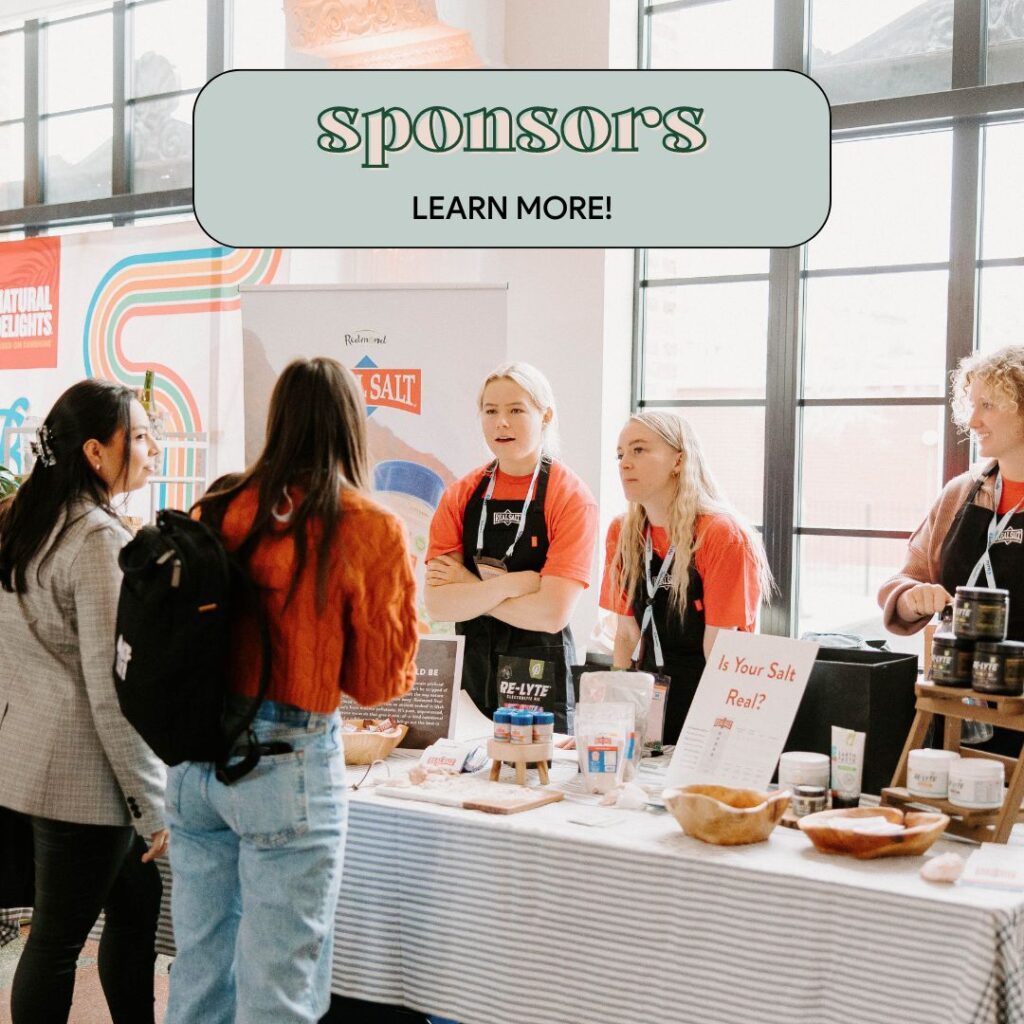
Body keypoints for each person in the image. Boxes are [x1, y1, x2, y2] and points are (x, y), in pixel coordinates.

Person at [165, 357, 419, 1024]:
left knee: (198, 969)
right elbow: (376, 682)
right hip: (289, 766)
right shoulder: (366, 526)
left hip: (194, 763)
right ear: (351, 427)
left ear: (277, 421)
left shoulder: (217, 506)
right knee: (280, 988)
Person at [0, 378, 167, 1024]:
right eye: (142, 435)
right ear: (96, 452)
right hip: (80, 779)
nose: (153, 448)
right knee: (58, 942)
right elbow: (109, 692)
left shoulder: (25, 520)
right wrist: (152, 806)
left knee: (136, 901)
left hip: (33, 760)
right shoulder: (97, 539)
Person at [424, 362, 598, 731]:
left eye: (516, 410)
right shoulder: (461, 494)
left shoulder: (569, 496)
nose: (501, 422)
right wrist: (510, 584)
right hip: (473, 670)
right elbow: (438, 603)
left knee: (534, 782)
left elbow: (551, 614)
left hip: (537, 677)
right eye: (491, 411)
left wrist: (469, 589)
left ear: (545, 416)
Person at [600, 412, 772, 743]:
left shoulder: (721, 534)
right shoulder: (623, 532)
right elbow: (625, 634)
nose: (624, 464)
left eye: (639, 450)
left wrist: (715, 731)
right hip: (647, 698)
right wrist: (612, 715)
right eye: (620, 454)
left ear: (678, 460)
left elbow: (721, 649)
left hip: (707, 695)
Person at [879, 344, 1024, 642]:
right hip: (956, 682)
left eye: (988, 405)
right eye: (972, 405)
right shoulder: (959, 493)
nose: (972, 421)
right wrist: (912, 599)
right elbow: (903, 581)